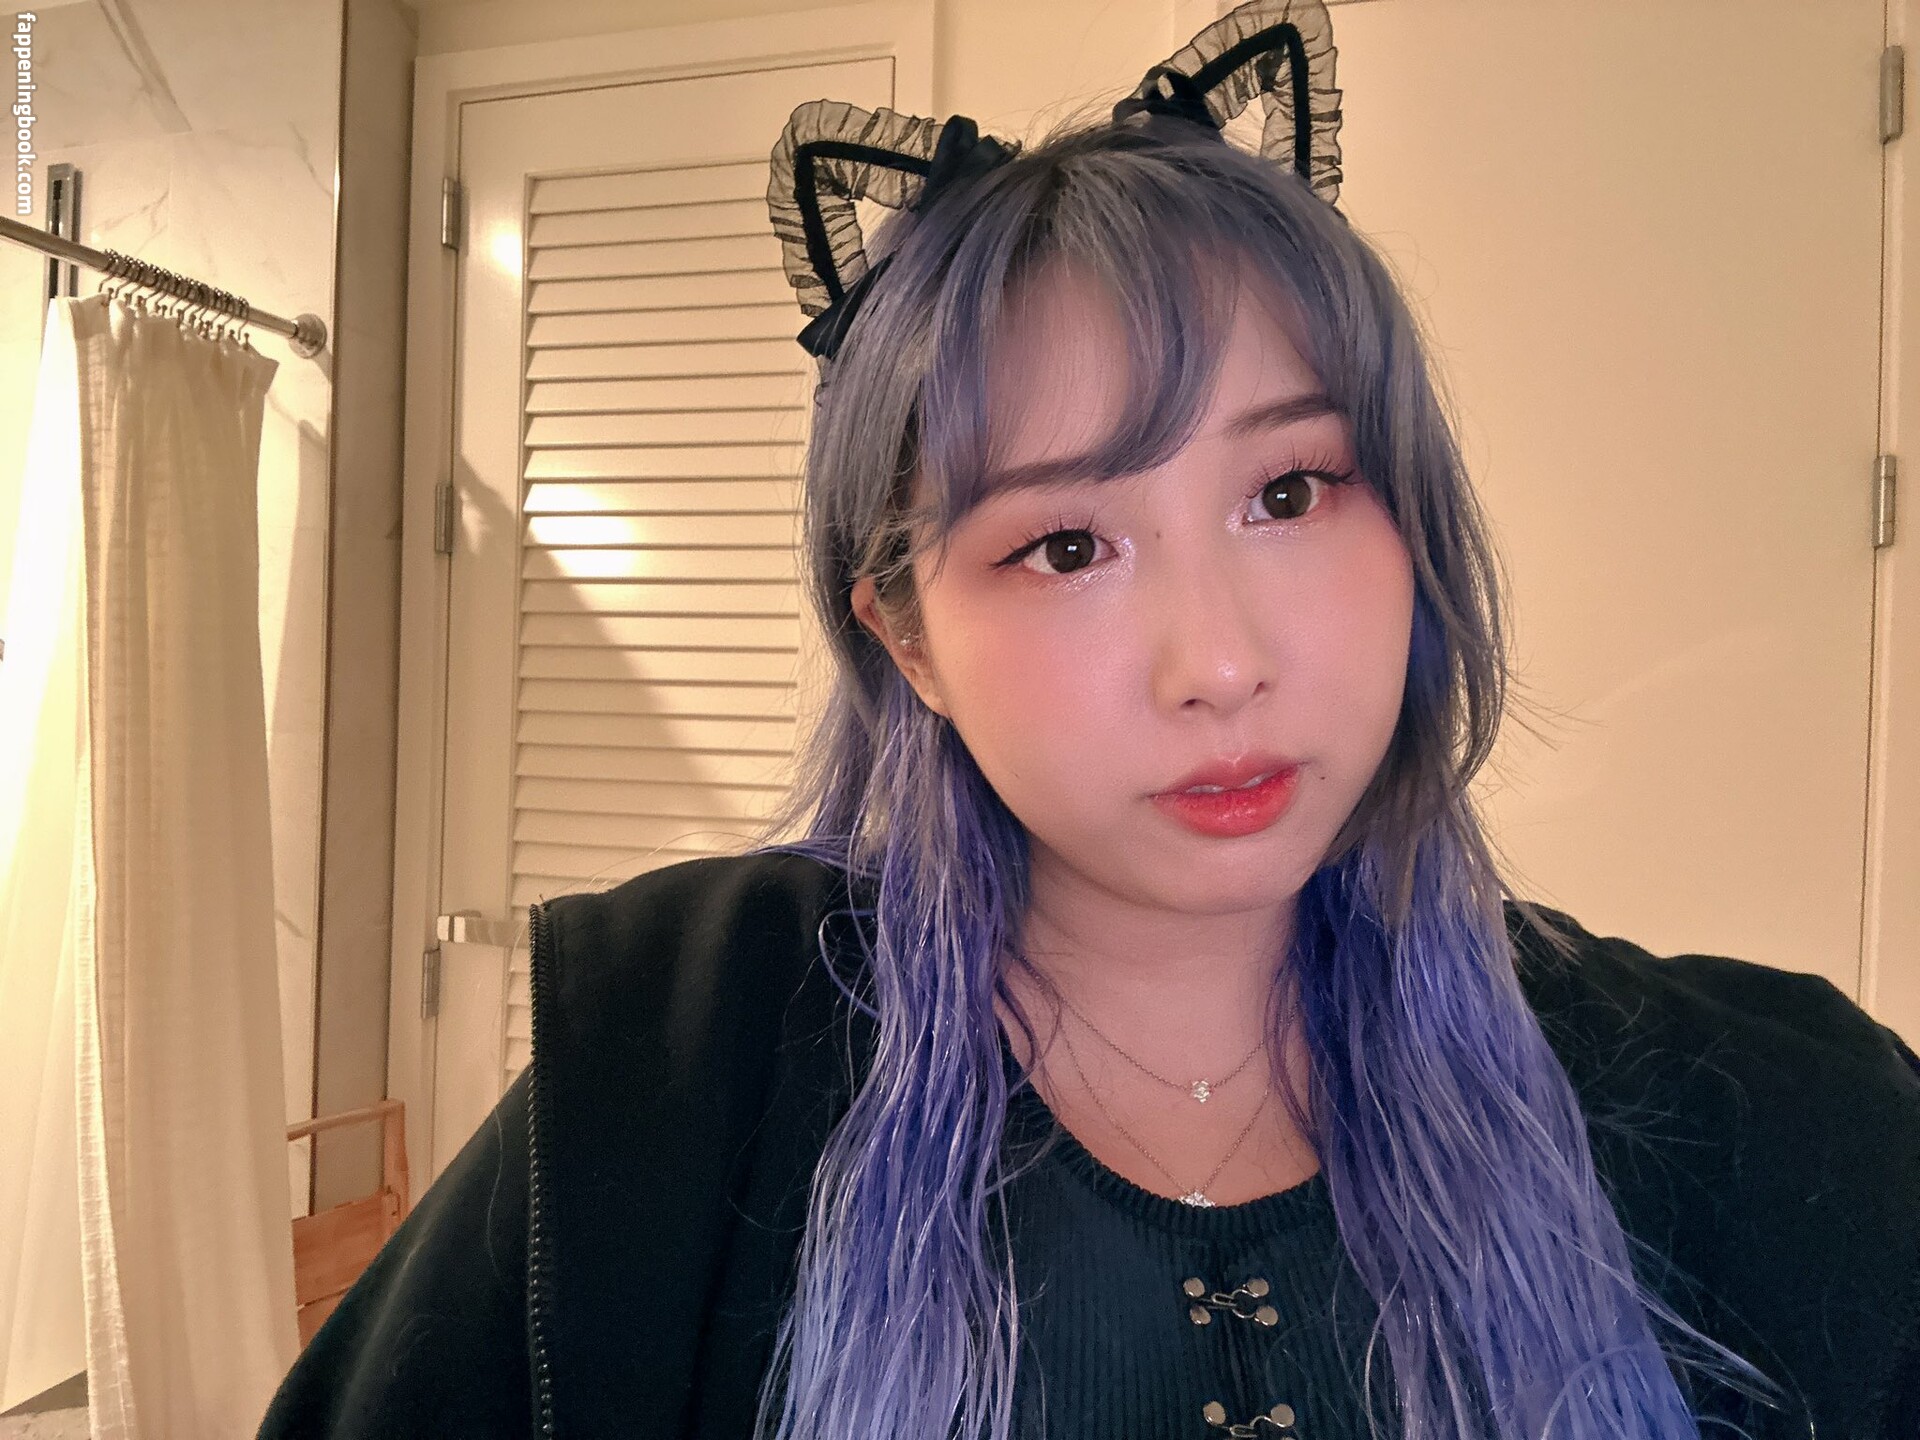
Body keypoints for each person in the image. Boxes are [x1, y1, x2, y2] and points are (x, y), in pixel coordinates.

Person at [255, 2, 1920, 1437]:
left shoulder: (1758, 1115)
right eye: (1066, 546)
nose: (1219, 664)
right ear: (908, 637)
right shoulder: (669, 1089)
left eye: (1289, 490)